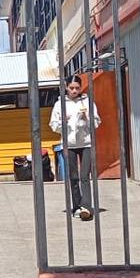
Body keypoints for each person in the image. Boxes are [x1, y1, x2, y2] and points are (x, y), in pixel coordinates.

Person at [50, 75, 101, 221]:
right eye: (71, 88)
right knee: (73, 177)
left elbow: (97, 122)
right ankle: (77, 206)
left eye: (77, 88)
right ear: (66, 87)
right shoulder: (59, 104)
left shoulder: (87, 102)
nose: (74, 91)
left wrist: (87, 119)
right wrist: (63, 121)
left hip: (86, 143)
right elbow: (53, 125)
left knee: (85, 175)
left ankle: (86, 207)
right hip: (69, 144)